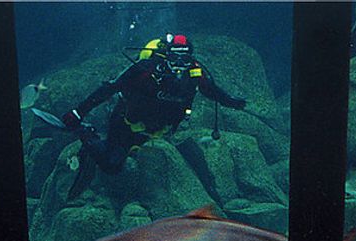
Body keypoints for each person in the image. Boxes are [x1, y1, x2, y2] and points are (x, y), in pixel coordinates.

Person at [59, 33, 247, 197]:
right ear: (166, 56)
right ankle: (86, 134)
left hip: (155, 130)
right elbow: (110, 87)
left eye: (185, 58)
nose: (180, 64)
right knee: (112, 166)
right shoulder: (146, 69)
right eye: (175, 57)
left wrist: (233, 102)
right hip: (125, 123)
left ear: (191, 58)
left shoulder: (195, 74)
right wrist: (78, 112)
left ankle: (107, 149)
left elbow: (213, 91)